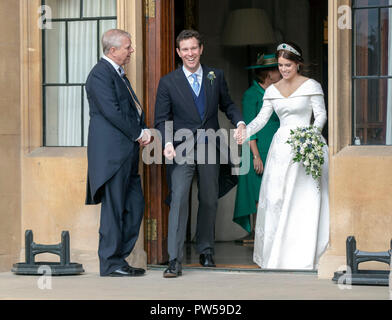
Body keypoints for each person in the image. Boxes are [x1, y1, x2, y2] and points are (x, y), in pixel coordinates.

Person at [154, 29, 245, 278]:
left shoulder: (216, 76)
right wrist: (167, 142)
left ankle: (206, 251)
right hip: (181, 149)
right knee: (179, 199)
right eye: (185, 49)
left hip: (210, 147)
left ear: (201, 49)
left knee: (208, 199)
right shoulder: (168, 82)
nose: (190, 53)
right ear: (178, 52)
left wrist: (239, 123)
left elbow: (228, 105)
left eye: (194, 48)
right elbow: (162, 119)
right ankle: (174, 259)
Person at [234, 42, 329, 270]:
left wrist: (310, 138)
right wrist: (245, 131)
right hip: (281, 150)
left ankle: (305, 255)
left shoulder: (311, 86)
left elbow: (321, 116)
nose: (284, 69)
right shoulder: (272, 91)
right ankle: (279, 256)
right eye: (280, 65)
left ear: (298, 63)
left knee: (303, 200)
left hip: (306, 147)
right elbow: (261, 119)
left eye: (287, 65)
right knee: (277, 199)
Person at [85, 29, 151, 277]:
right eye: (128, 46)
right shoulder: (100, 75)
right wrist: (138, 133)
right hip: (112, 156)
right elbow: (112, 112)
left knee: (134, 207)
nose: (131, 50)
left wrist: (140, 130)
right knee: (113, 210)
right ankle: (110, 263)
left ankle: (118, 258)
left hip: (127, 154)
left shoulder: (117, 73)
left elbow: (128, 109)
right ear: (112, 50)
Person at [233, 53, 281, 239]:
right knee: (255, 191)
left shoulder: (277, 91)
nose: (281, 71)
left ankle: (271, 231)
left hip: (273, 146)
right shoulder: (251, 94)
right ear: (269, 73)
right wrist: (255, 156)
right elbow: (249, 124)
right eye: (277, 68)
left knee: (271, 189)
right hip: (255, 148)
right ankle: (256, 232)